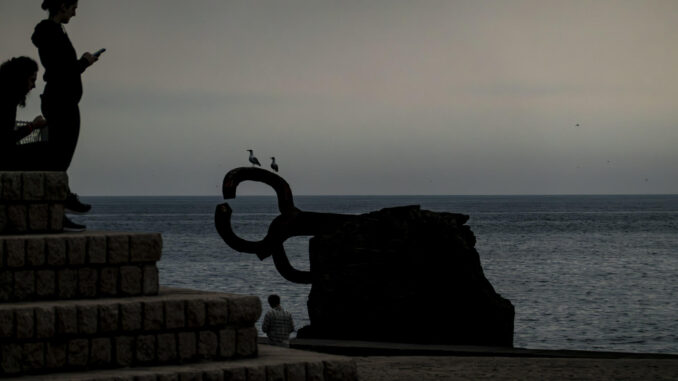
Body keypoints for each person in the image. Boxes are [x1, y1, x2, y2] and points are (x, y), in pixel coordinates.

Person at [32, 0, 100, 230]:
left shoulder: (54, 32)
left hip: (62, 100)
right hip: (61, 101)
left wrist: (80, 64)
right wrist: (83, 62)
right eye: (73, 8)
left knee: (60, 156)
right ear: (62, 6)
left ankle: (61, 203)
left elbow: (61, 68)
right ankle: (60, 205)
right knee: (59, 157)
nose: (75, 13)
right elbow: (62, 70)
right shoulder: (51, 32)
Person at [0, 56, 49, 170]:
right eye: (32, 80)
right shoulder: (6, 101)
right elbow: (6, 140)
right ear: (20, 78)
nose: (34, 86)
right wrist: (32, 126)